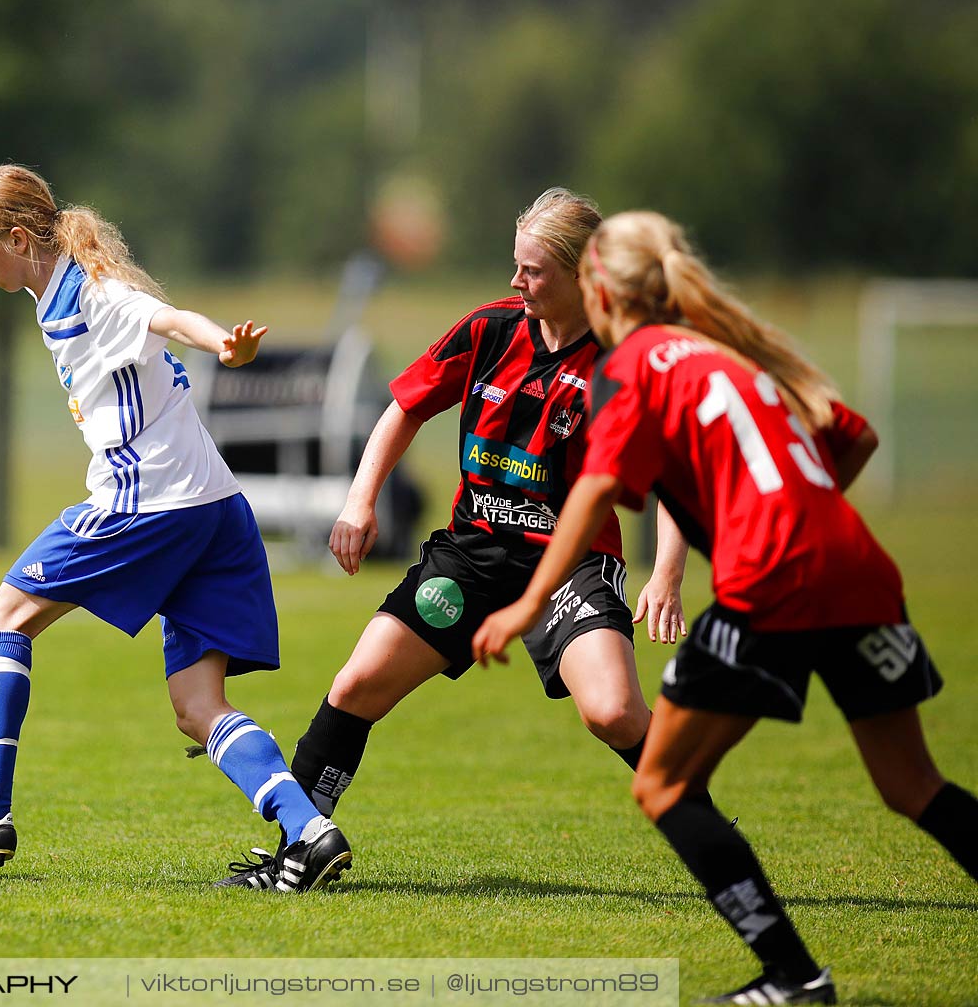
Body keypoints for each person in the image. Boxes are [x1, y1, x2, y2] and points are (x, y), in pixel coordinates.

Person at [473, 211, 975, 1006]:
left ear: (598, 288)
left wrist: (528, 601)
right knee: (913, 785)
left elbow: (600, 488)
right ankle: (792, 976)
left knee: (663, 787)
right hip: (858, 568)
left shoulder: (628, 362)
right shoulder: (726, 350)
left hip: (773, 580)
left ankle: (793, 975)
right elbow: (855, 436)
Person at [0, 164, 351, 891]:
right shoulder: (43, 275)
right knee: (197, 708)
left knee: (1, 616)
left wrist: (226, 349)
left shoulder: (100, 295)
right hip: (215, 508)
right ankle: (311, 834)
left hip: (145, 506)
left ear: (20, 237)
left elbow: (166, 318)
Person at [220, 189, 689, 887]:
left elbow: (679, 474)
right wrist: (359, 500)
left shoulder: (623, 361)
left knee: (614, 711)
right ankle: (301, 846)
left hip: (571, 566)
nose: (516, 282)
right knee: (357, 683)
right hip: (472, 553)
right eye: (514, 265)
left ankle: (703, 826)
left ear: (582, 274)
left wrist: (668, 573)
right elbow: (403, 408)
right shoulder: (490, 331)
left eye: (531, 270)